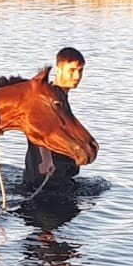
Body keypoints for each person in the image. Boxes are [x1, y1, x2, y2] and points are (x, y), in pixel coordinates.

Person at [23, 46, 86, 191]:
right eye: (71, 70)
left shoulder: (61, 98)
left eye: (80, 71)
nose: (77, 76)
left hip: (60, 178)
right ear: (58, 70)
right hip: (45, 179)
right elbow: (39, 128)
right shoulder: (48, 100)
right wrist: (46, 160)